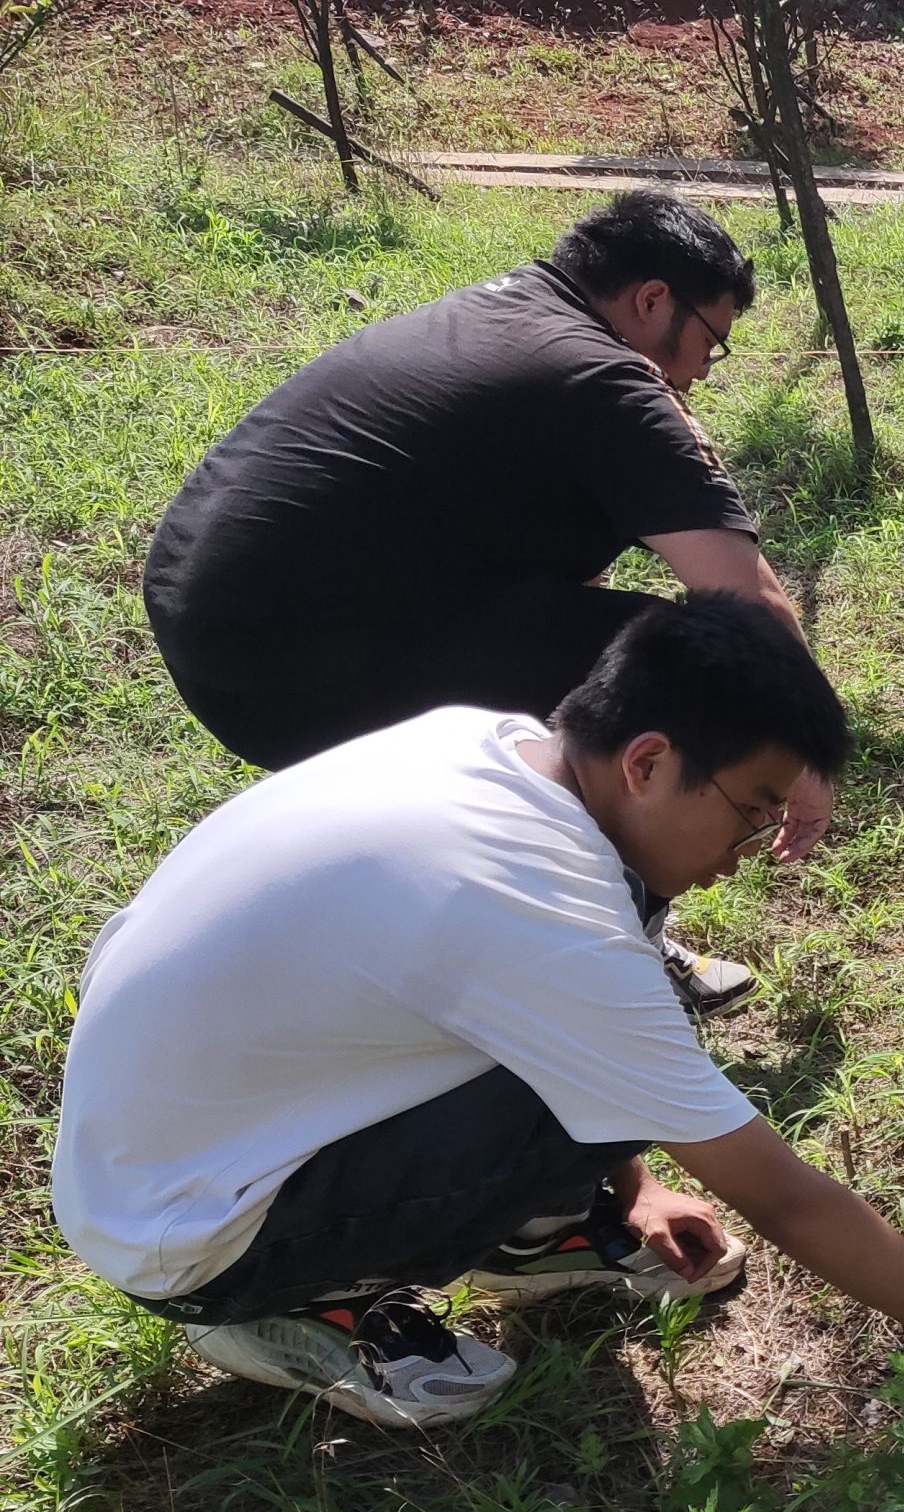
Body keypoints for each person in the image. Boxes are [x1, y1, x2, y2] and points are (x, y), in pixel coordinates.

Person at [51, 596, 904, 1443]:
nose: (750, 850)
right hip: (193, 1236)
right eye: (751, 809)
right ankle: (291, 1308)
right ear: (647, 762)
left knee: (630, 1030)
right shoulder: (536, 913)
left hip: (155, 1146)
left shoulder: (491, 743)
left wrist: (634, 1189)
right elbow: (784, 1196)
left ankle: (542, 1230)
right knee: (643, 1034)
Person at [141, 188, 828, 1015]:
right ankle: (617, 958)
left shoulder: (501, 314)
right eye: (710, 343)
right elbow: (747, 601)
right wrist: (803, 750)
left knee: (575, 658)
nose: (701, 373)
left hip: (209, 623)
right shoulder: (605, 379)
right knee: (669, 679)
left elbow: (526, 557)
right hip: (297, 657)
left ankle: (464, 924)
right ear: (653, 301)